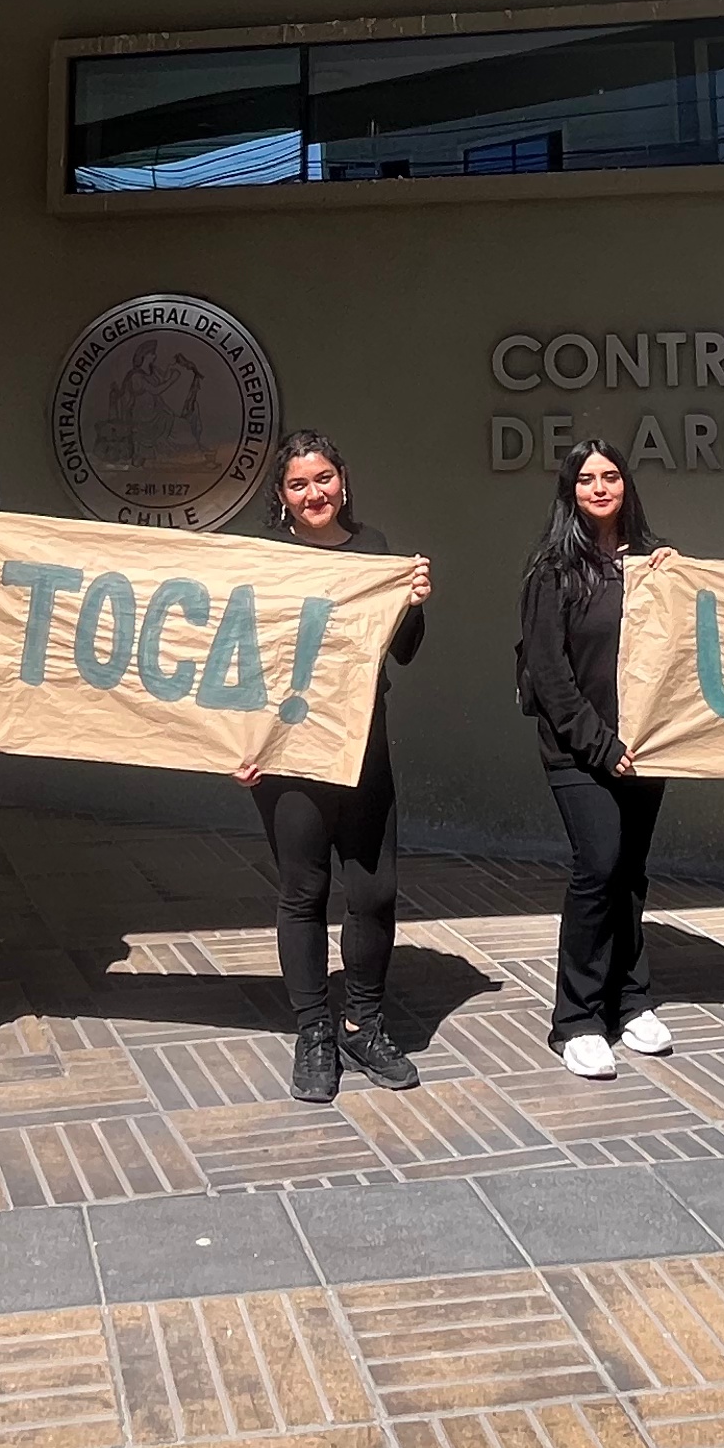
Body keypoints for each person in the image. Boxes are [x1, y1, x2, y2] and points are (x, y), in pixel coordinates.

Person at [239, 432, 430, 1100]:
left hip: (362, 748)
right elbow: (236, 656)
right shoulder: (266, 560)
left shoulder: (376, 550)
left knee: (375, 892)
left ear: (342, 482)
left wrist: (410, 602)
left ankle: (363, 1023)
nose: (314, 492)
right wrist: (234, 741)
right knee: (305, 891)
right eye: (298, 484)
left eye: (323, 479)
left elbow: (402, 651)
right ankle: (314, 1032)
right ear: (282, 497)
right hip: (287, 752)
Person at [518, 438, 670, 1080]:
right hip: (583, 753)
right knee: (597, 867)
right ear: (569, 492)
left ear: (627, 485)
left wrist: (679, 579)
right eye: (586, 479)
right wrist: (602, 748)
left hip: (648, 748)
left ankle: (628, 1002)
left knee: (630, 872)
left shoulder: (654, 565)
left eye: (611, 476)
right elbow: (549, 674)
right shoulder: (552, 569)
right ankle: (576, 1020)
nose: (600, 488)